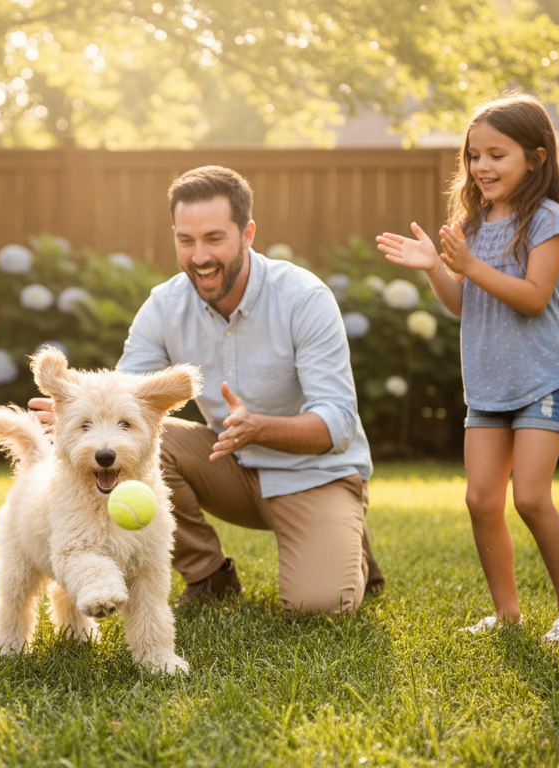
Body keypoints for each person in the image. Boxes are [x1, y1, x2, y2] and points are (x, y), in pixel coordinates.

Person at [36, 165, 383, 616]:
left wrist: (260, 428)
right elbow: (124, 394)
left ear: (248, 233)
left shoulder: (303, 298)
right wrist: (72, 408)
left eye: (214, 238)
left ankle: (346, 532)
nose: (199, 256)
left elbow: (338, 422)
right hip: (229, 463)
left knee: (318, 606)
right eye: (186, 240)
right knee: (136, 440)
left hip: (313, 473)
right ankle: (208, 573)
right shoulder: (164, 305)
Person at [377, 93, 559, 643]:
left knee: (529, 497)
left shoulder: (548, 218)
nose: (481, 167)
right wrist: (436, 267)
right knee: (479, 499)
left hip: (543, 377)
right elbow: (460, 303)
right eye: (474, 156)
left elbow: (534, 297)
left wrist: (470, 264)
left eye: (497, 155)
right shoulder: (471, 223)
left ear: (536, 157)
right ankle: (507, 614)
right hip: (489, 383)